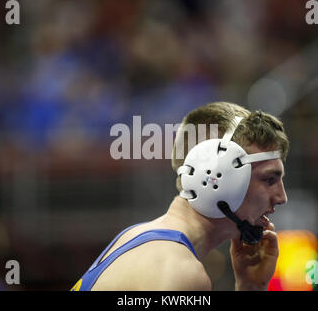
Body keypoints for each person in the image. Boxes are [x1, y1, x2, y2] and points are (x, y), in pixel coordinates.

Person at [71, 102, 289, 291]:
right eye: (269, 179)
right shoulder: (178, 272)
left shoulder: (136, 237)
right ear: (216, 176)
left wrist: (250, 286)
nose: (281, 197)